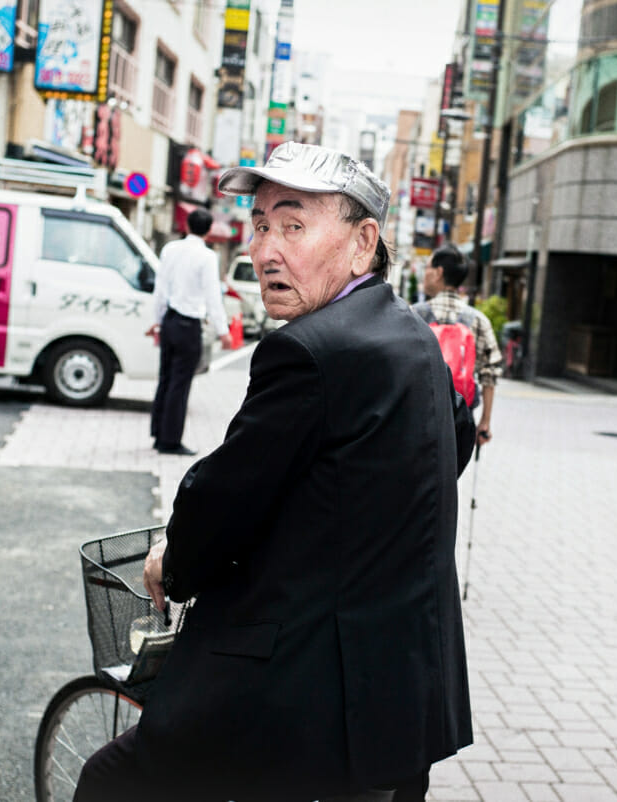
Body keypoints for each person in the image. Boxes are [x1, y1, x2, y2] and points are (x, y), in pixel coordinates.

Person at [75, 142, 475, 802]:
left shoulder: (310, 350)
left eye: (293, 225)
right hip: (406, 695)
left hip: (311, 700)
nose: (266, 251)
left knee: (109, 782)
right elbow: (445, 449)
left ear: (361, 243)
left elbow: (225, 498)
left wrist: (171, 564)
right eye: (260, 225)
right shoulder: (410, 336)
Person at [146, 208, 232, 456]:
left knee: (165, 378)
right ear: (208, 231)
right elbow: (212, 295)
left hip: (170, 320)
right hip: (189, 325)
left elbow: (160, 289)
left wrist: (157, 321)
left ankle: (158, 433)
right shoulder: (206, 257)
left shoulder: (169, 250)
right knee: (179, 385)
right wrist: (223, 330)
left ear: (186, 226)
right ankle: (170, 441)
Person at [418, 244, 502, 445]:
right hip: (460, 416)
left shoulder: (413, 314)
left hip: (419, 414)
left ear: (439, 273)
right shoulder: (477, 320)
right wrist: (485, 422)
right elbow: (489, 373)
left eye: (427, 268)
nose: (425, 274)